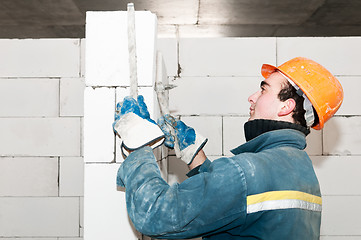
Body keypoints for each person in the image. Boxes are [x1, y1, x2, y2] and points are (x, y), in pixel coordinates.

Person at [113, 57, 343, 239]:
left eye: (263, 90)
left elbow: (155, 215)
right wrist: (196, 157)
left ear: (286, 106)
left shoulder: (248, 171)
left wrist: (139, 146)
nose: (251, 98)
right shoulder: (301, 170)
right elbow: (240, 205)